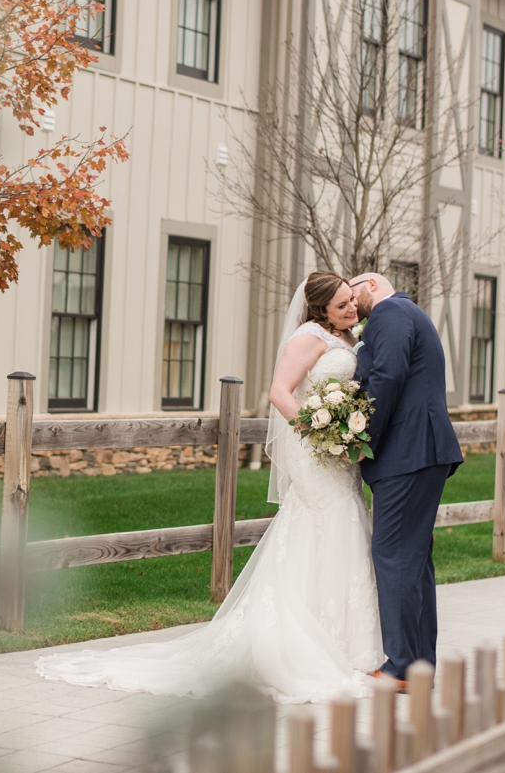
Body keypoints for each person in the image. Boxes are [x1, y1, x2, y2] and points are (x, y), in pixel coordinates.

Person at [34, 272, 384, 702]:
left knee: (343, 526)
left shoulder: (349, 336)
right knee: (326, 524)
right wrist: (320, 433)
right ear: (319, 310)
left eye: (352, 301)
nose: (351, 309)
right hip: (316, 452)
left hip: (338, 454)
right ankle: (306, 642)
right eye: (341, 306)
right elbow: (279, 392)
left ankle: (347, 641)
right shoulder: (309, 336)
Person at [347, 272, 462, 682]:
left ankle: (398, 668)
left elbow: (388, 376)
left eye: (352, 288)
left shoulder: (390, 312)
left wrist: (361, 437)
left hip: (407, 452)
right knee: (413, 560)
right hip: (420, 451)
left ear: (372, 284)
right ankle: (419, 666)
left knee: (392, 554)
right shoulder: (408, 313)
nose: (349, 298)